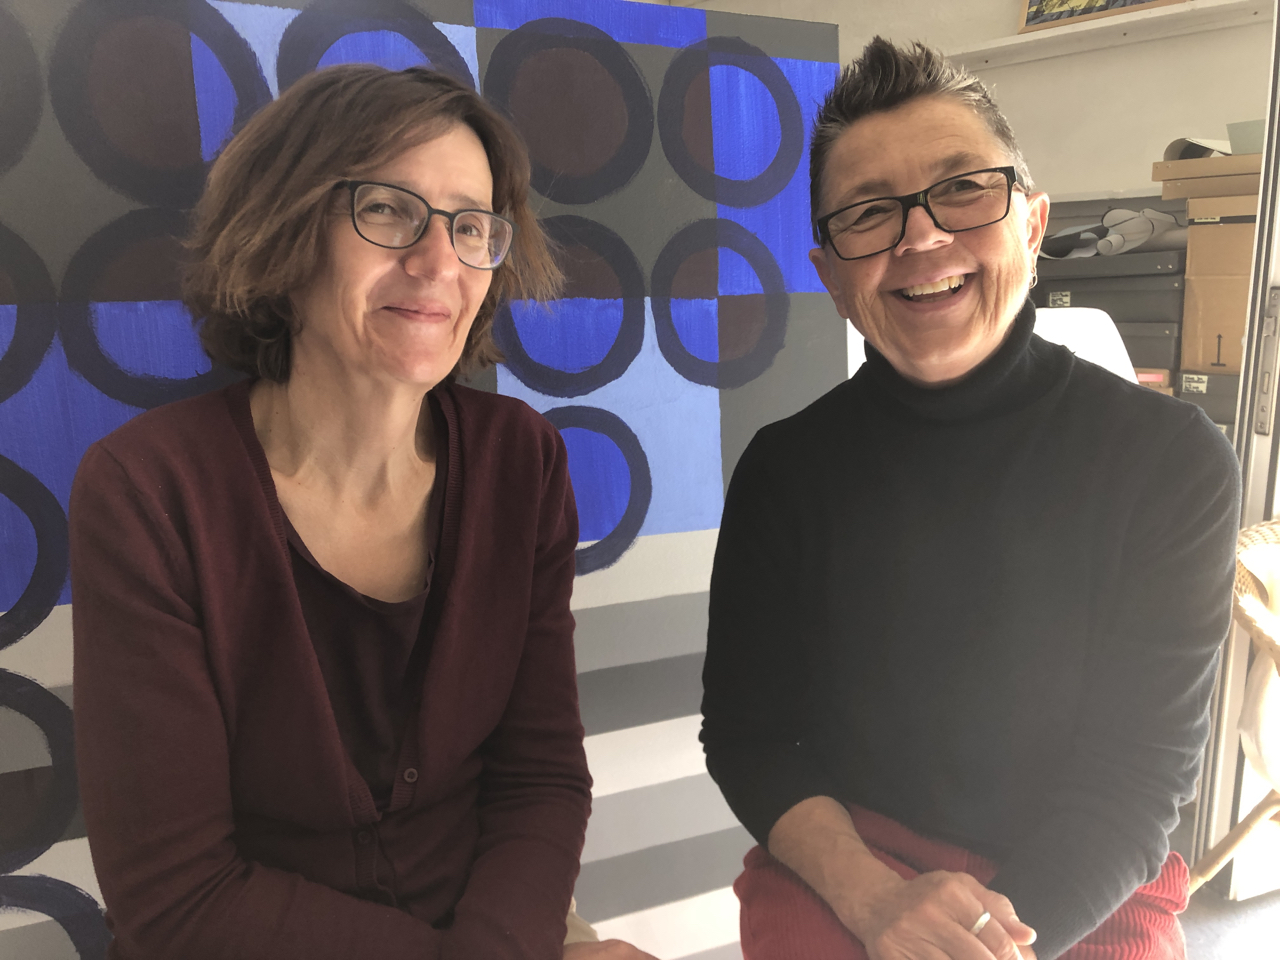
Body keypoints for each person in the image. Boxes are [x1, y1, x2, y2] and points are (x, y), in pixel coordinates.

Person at [70, 65, 656, 960]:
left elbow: (539, 779)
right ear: (285, 230)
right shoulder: (148, 491)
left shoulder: (522, 461)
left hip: (486, 932)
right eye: (387, 210)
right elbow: (177, 897)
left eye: (471, 226)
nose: (439, 263)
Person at [700, 38, 1240, 960]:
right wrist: (876, 902)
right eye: (869, 212)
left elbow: (1138, 779)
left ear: (1032, 224)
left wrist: (989, 946)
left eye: (961, 189)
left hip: (1082, 874)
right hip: (851, 862)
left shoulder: (1170, 461)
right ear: (830, 275)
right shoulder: (785, 470)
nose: (920, 237)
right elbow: (749, 737)